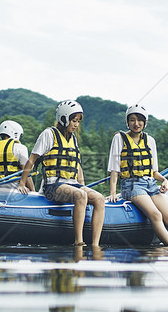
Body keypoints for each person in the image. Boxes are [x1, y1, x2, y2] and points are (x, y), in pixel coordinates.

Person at [17, 100, 105, 247]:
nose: (76, 124)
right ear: (63, 119)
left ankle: (96, 245)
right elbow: (32, 160)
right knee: (81, 195)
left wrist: (82, 185)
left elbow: (78, 166)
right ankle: (78, 242)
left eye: (78, 121)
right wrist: (22, 182)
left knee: (99, 199)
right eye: (73, 120)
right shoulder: (48, 134)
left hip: (72, 184)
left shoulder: (73, 139)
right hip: (53, 185)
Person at [107, 104, 168, 247]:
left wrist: (164, 180)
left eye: (140, 120)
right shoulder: (119, 138)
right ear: (127, 122)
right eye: (132, 120)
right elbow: (115, 170)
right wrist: (113, 192)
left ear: (145, 122)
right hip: (132, 186)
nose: (136, 123)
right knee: (156, 215)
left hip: (150, 184)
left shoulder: (150, 141)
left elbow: (154, 172)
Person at [0, 120, 34, 190]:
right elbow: (25, 172)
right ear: (15, 133)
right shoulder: (20, 148)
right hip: (13, 189)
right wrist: (33, 191)